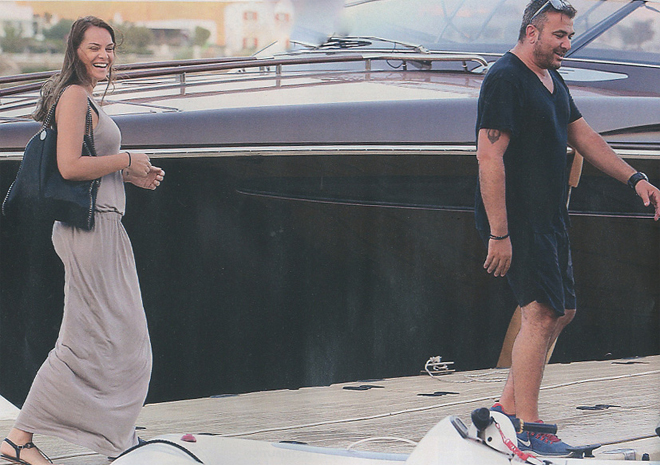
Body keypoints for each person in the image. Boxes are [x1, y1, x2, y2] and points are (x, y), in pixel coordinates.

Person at [475, 0, 660, 457]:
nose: (567, 44)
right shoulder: (505, 78)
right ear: (532, 32)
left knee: (562, 312)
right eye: (559, 35)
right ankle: (529, 427)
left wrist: (635, 179)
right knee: (540, 314)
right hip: (518, 220)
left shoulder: (549, 78)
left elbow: (584, 136)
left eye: (570, 36)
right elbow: (489, 156)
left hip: (550, 217)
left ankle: (504, 409)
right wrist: (499, 233)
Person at [0, 16, 165, 465]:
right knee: (98, 340)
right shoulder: (74, 95)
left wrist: (130, 175)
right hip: (88, 233)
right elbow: (70, 167)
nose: (104, 55)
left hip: (105, 228)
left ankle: (114, 435)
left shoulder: (85, 98)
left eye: (109, 48)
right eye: (94, 47)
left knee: (117, 339)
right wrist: (126, 158)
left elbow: (88, 166)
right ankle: (19, 439)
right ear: (75, 51)